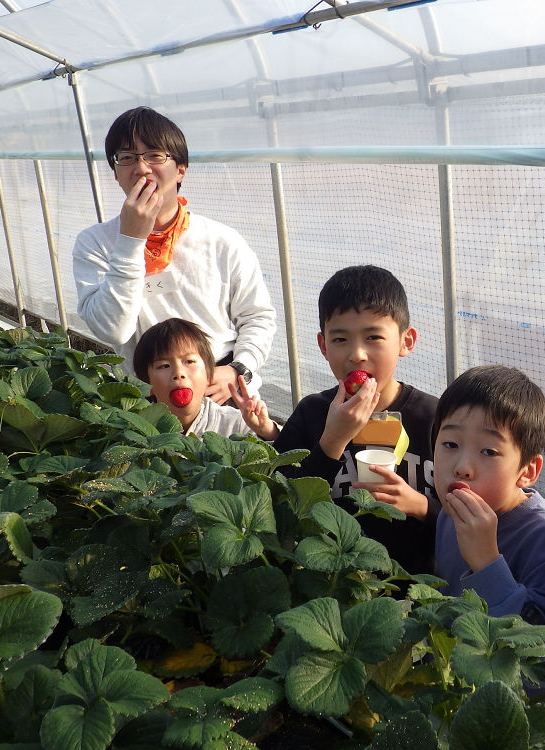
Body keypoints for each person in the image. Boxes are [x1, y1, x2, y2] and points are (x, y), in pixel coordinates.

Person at [73, 106, 276, 404]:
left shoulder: (221, 240)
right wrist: (130, 240)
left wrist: (238, 369)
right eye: (127, 158)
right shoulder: (95, 243)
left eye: (155, 155)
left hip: (220, 388)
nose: (141, 168)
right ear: (115, 173)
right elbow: (113, 330)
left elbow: (257, 317)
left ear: (181, 168)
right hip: (146, 396)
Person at [273, 265, 439, 575]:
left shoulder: (435, 419)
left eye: (373, 336)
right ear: (323, 346)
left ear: (406, 341)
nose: (357, 354)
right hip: (332, 584)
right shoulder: (311, 414)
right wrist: (332, 441)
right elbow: (281, 507)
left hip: (418, 589)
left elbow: (473, 513)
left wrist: (422, 506)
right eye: (340, 339)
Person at [433, 365, 545, 691]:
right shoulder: (449, 514)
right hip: (455, 689)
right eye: (450, 444)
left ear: (528, 471)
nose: (462, 467)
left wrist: (486, 562)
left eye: (489, 451)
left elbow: (544, 663)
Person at [133, 318, 279, 440]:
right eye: (164, 366)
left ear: (208, 376)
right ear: (146, 385)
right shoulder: (137, 428)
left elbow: (285, 453)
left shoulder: (237, 423)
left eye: (189, 361)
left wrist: (267, 430)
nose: (178, 373)